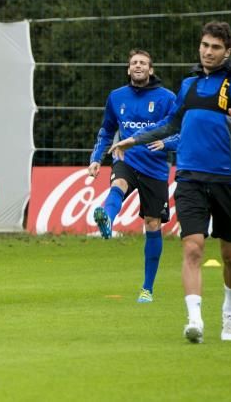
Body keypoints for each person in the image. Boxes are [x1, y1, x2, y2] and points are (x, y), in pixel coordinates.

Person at [110, 21, 231, 344]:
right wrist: (135, 140)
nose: (208, 52)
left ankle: (230, 309)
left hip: (227, 179)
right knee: (193, 248)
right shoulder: (188, 86)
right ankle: (194, 320)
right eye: (205, 45)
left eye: (215, 47)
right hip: (189, 179)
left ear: (227, 52)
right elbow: (170, 123)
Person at [87, 49, 178, 303]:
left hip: (156, 169)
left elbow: (182, 132)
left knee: (152, 223)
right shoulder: (117, 97)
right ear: (128, 70)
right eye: (134, 63)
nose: (138, 66)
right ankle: (108, 220)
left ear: (151, 70)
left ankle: (147, 288)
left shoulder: (167, 98)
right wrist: (96, 159)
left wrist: (166, 144)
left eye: (143, 63)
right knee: (118, 183)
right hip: (126, 160)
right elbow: (106, 131)